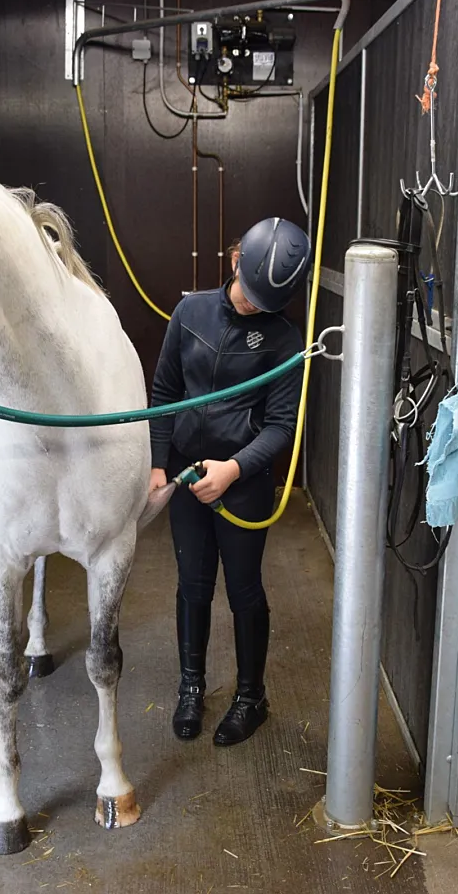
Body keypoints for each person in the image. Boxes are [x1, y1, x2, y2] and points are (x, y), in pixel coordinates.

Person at [148, 217, 312, 746]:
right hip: (187, 473)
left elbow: (282, 426)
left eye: (267, 303)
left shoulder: (286, 339)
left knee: (244, 589)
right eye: (251, 296)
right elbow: (165, 390)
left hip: (242, 480)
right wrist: (158, 463)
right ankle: (191, 687)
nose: (255, 307)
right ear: (236, 261)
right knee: (192, 584)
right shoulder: (190, 311)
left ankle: (251, 697)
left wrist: (233, 469)